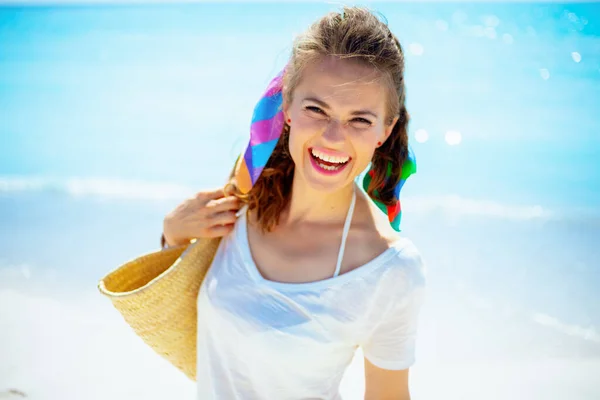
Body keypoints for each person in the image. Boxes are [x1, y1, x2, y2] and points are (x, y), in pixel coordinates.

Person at [162, 6, 426, 400]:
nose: (333, 137)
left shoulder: (388, 269)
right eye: (316, 110)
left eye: (360, 120)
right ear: (287, 107)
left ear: (385, 130)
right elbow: (184, 315)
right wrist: (172, 234)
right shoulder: (249, 190)